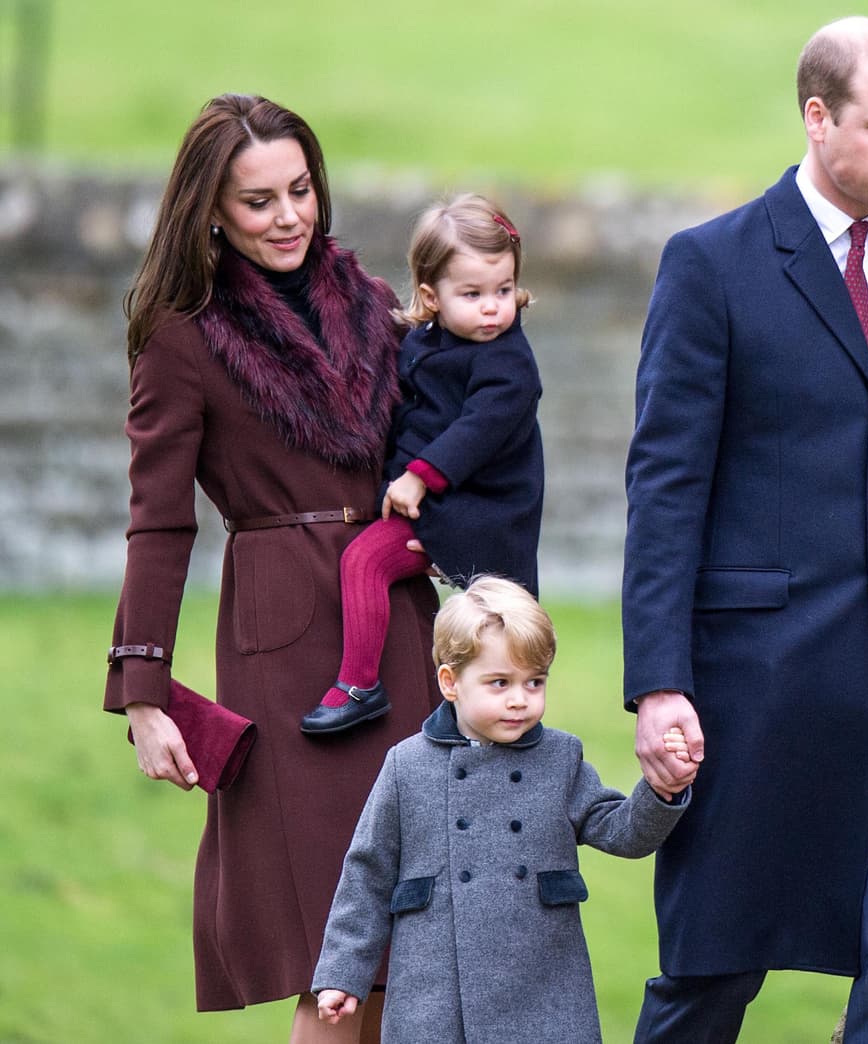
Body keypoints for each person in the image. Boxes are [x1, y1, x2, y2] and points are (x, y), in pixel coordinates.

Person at [622, 16, 868, 1042]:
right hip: (755, 681)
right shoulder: (710, 264)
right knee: (711, 971)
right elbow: (665, 486)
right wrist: (658, 679)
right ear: (815, 118)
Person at [104, 93, 441, 1042]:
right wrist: (143, 693)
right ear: (212, 208)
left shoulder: (373, 304)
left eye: (300, 190)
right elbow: (158, 523)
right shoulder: (184, 333)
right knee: (334, 954)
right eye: (259, 201)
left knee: (411, 952)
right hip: (288, 644)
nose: (289, 215)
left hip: (400, 620)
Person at [311, 576, 690, 1043]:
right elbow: (366, 875)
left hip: (545, 981)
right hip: (433, 990)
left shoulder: (561, 757)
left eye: (535, 681)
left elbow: (621, 832)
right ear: (450, 682)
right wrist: (342, 974)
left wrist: (660, 789)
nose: (519, 699)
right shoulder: (406, 765)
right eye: (499, 683)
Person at [301, 194, 544, 735]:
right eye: (473, 294)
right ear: (431, 297)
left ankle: (359, 685)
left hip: (480, 515)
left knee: (368, 565)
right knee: (477, 632)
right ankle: (456, 712)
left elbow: (475, 432)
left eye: (504, 290)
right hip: (438, 508)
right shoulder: (423, 343)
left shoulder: (510, 366)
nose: (492, 307)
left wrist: (417, 477)